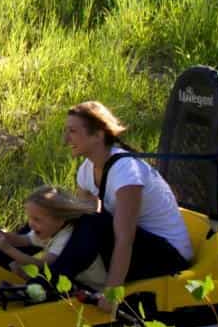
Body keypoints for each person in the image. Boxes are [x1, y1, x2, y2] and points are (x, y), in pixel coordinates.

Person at [63, 100, 194, 309]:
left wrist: (112, 293)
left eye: (72, 131)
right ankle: (43, 269)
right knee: (69, 217)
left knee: (94, 223)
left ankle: (52, 278)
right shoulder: (86, 171)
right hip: (143, 249)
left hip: (170, 257)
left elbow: (125, 238)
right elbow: (78, 223)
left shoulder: (125, 172)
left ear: (98, 135)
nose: (65, 138)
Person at [0, 185, 108, 290]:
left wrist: (8, 249)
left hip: (89, 286)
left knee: (30, 272)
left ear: (60, 219)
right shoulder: (47, 229)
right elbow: (21, 240)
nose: (31, 223)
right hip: (73, 278)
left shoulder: (65, 237)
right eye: (30, 218)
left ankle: (15, 290)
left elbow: (42, 265)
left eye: (36, 219)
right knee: (17, 266)